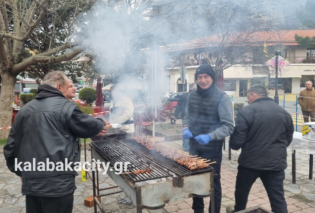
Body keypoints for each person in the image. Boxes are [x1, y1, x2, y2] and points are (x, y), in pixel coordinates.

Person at [3, 71, 108, 213]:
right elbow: (90, 126)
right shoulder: (65, 107)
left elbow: (10, 148)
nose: (74, 88)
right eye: (68, 86)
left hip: (32, 184)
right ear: (59, 86)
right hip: (58, 186)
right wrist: (101, 122)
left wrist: (22, 172)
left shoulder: (24, 111)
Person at [227, 84, 294, 213]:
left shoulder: (247, 111)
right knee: (278, 199)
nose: (248, 100)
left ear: (253, 95)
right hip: (275, 164)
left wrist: (235, 143)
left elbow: (236, 143)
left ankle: (239, 211)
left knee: (241, 195)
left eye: (248, 97)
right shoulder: (284, 113)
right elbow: (287, 139)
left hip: (250, 163)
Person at [182, 64, 234, 213]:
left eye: (206, 77)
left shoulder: (222, 98)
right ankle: (198, 210)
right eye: (199, 77)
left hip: (212, 149)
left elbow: (229, 126)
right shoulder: (192, 95)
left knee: (213, 183)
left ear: (212, 78)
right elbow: (187, 117)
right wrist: (185, 127)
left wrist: (210, 136)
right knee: (195, 179)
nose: (203, 80)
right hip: (194, 147)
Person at [174, 83, 196, 151]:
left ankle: (185, 145)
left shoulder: (183, 95)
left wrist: (176, 115)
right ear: (195, 88)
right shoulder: (196, 95)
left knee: (185, 130)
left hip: (184, 116)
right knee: (191, 131)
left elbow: (179, 106)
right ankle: (187, 147)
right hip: (193, 117)